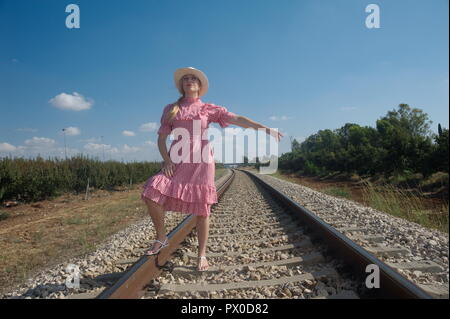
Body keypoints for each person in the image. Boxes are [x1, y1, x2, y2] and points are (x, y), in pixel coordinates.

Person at [141, 67, 283, 271]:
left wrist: (265, 128)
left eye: (193, 78)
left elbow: (238, 119)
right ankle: (162, 237)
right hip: (177, 161)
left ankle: (202, 254)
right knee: (152, 191)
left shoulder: (208, 108)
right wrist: (167, 160)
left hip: (202, 163)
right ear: (181, 85)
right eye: (185, 79)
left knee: (202, 210)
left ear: (199, 85)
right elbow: (162, 138)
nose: (189, 80)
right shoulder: (171, 109)